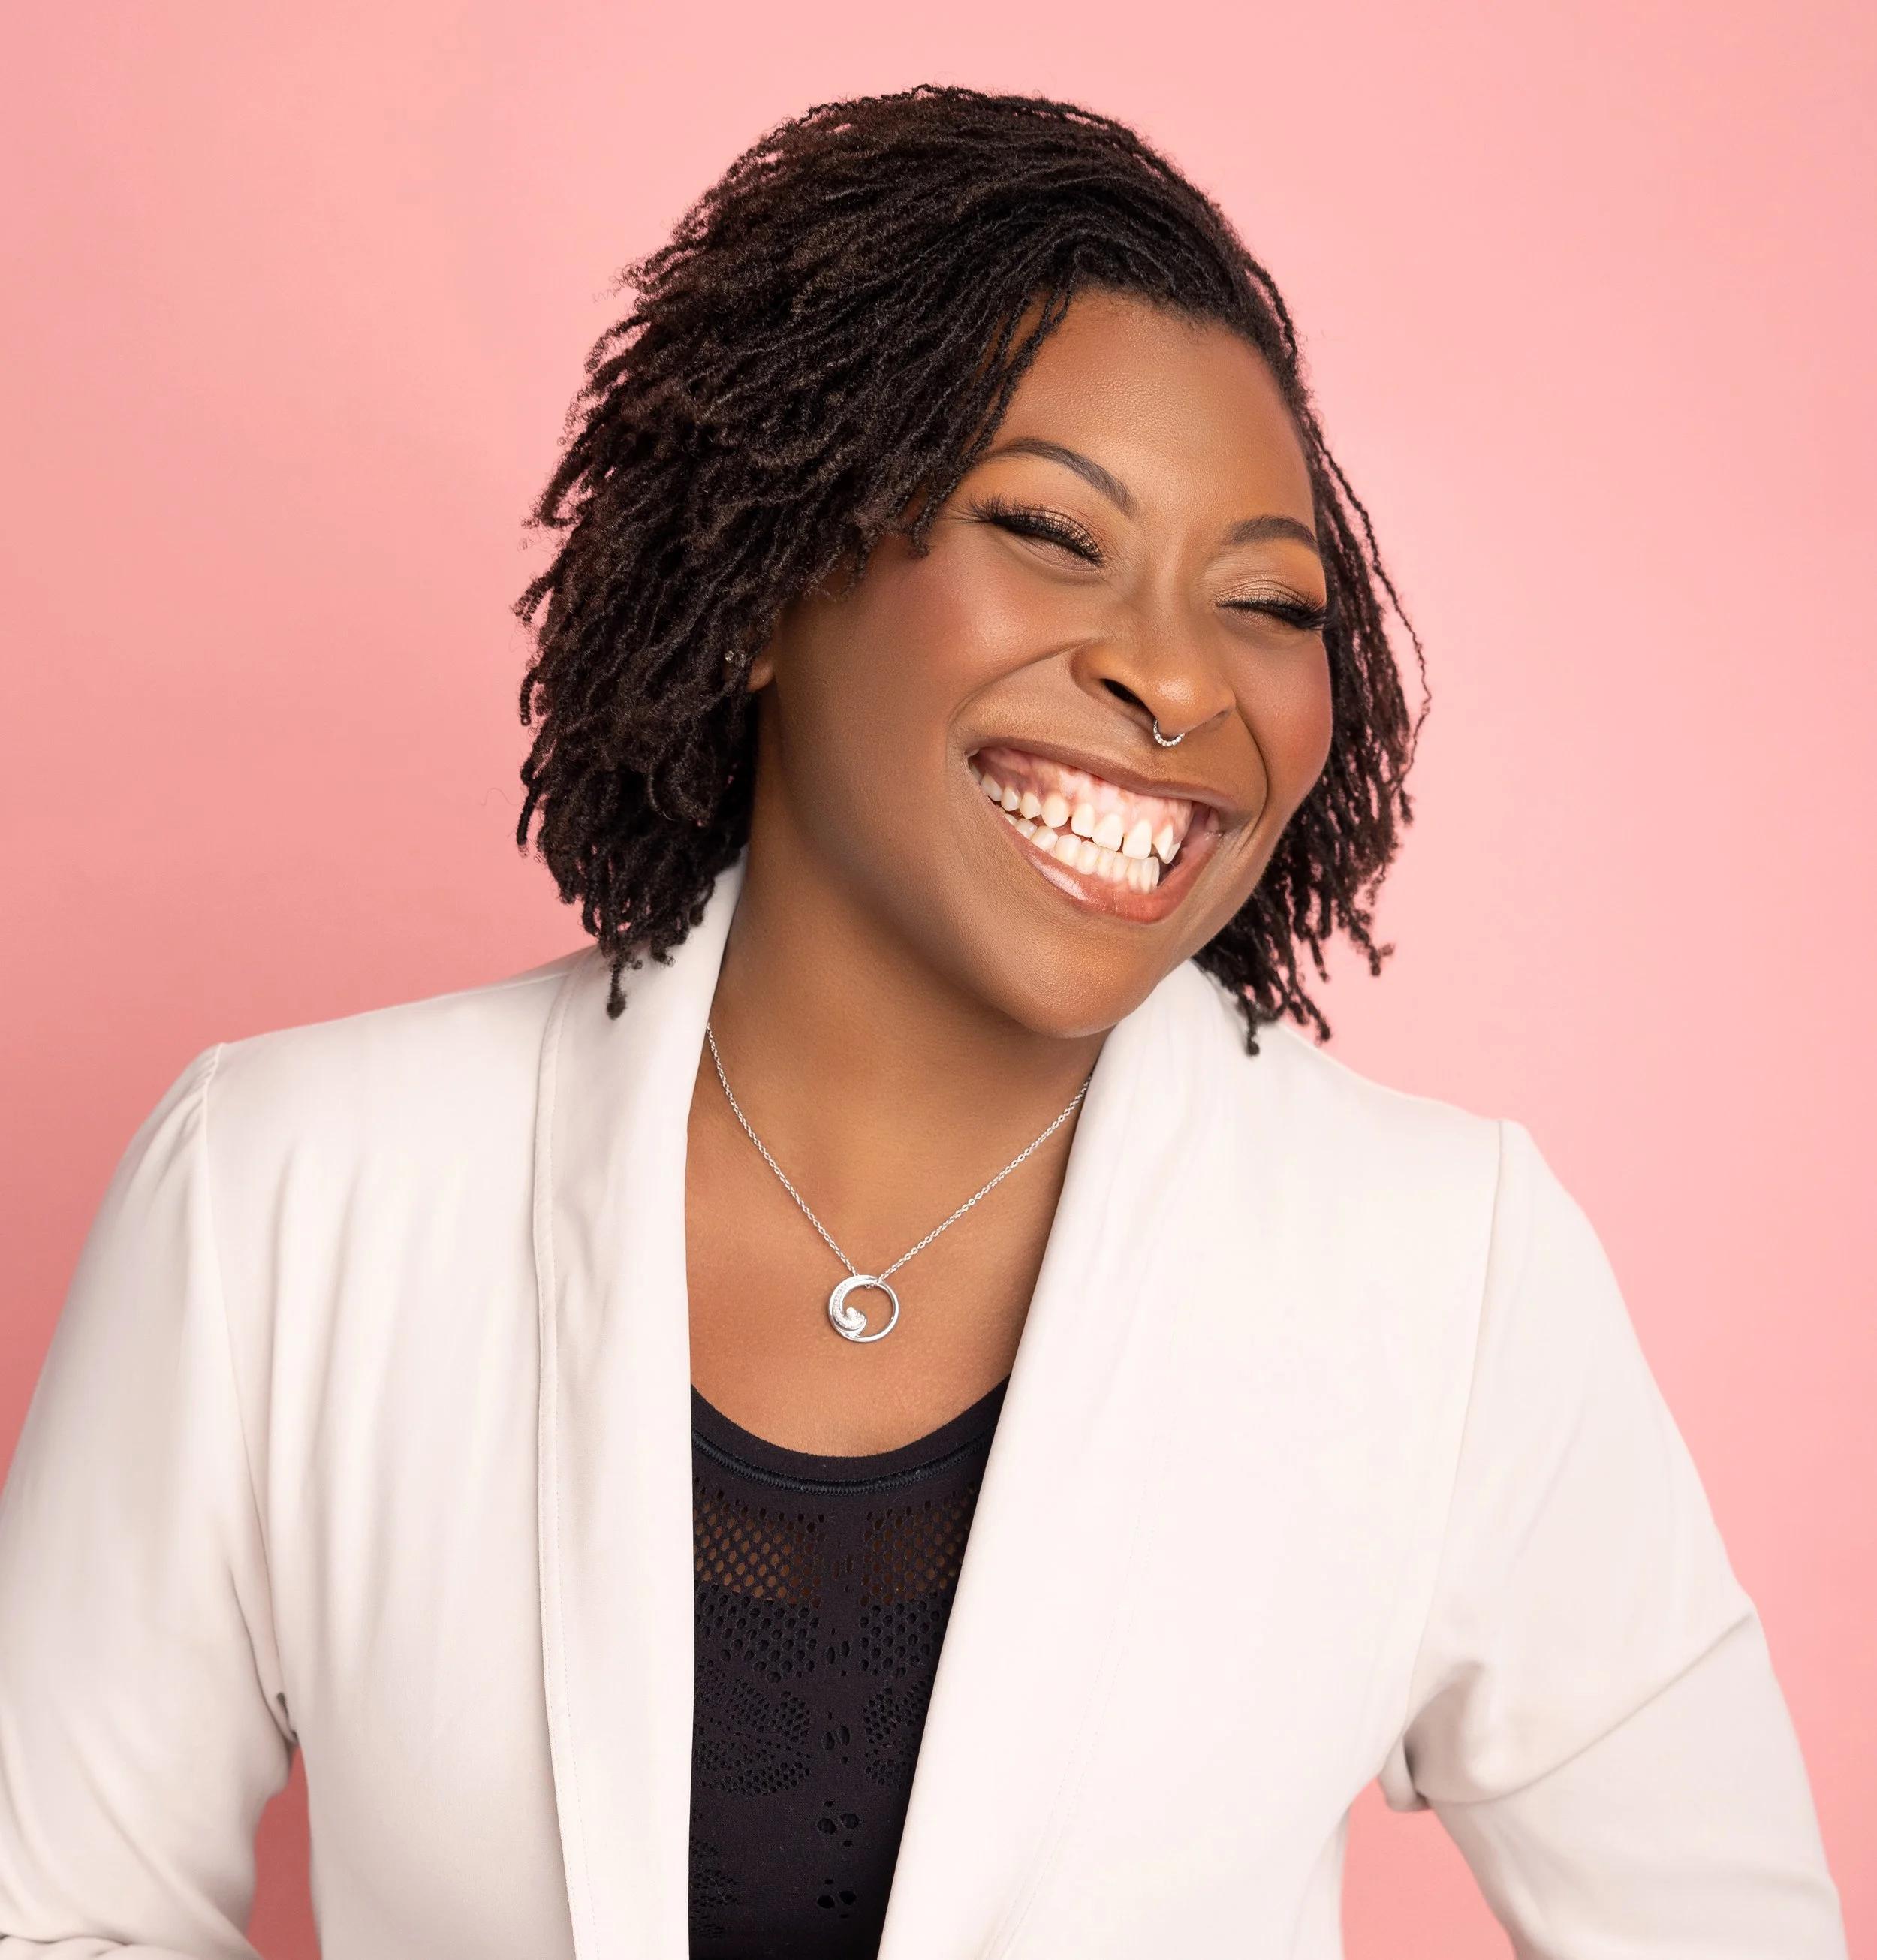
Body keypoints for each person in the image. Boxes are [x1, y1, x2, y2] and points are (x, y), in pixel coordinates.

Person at [0, 87, 1845, 1960]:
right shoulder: (282, 1196)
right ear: (762, 581)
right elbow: (55, 1913)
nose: (1175, 673)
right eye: (1051, 531)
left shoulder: (1443, 1271)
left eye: (1268, 601)